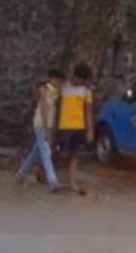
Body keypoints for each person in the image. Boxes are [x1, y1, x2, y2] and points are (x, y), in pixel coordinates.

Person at [14, 68, 66, 192]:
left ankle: (20, 175)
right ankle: (52, 180)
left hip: (48, 124)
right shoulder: (44, 90)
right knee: (45, 152)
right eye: (58, 80)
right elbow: (43, 110)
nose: (59, 83)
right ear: (52, 79)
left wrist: (51, 128)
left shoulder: (56, 91)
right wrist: (47, 128)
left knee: (37, 152)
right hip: (40, 124)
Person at [56, 62, 96, 195]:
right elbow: (55, 105)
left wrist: (90, 130)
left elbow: (88, 111)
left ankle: (72, 182)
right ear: (76, 76)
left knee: (74, 155)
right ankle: (45, 171)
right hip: (64, 126)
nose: (84, 83)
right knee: (62, 154)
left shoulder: (86, 91)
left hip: (79, 127)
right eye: (82, 80)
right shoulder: (63, 87)